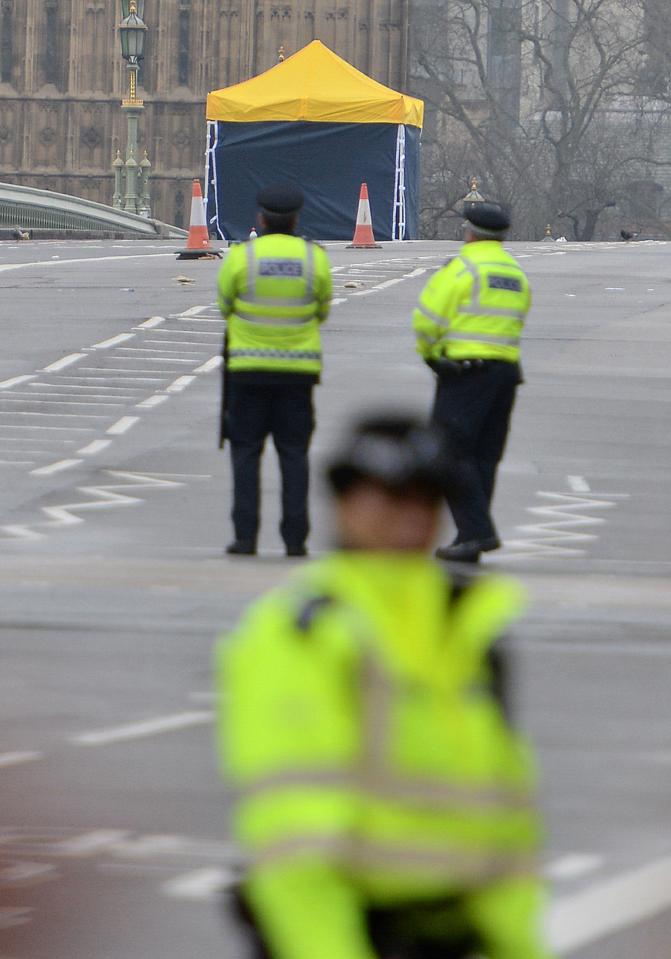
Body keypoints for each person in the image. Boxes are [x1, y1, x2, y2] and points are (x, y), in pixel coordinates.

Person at [215, 415, 554, 959]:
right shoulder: (305, 632)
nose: (412, 518)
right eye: (392, 498)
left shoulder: (467, 628)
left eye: (427, 500)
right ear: (345, 502)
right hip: (354, 935)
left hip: (456, 936)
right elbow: (295, 843)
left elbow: (507, 829)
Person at [217, 183, 333, 557]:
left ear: (261, 219)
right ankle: (295, 539)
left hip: (248, 371)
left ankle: (245, 536)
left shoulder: (241, 257)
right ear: (296, 218)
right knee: (295, 455)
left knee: (246, 454)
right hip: (297, 375)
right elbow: (323, 308)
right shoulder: (314, 258)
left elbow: (225, 304)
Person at [412, 201, 531, 563]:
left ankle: (478, 531)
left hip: (465, 372)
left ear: (470, 233)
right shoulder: (515, 273)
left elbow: (427, 319)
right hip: (506, 372)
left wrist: (431, 355)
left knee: (447, 452)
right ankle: (469, 539)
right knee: (483, 457)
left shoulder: (462, 268)